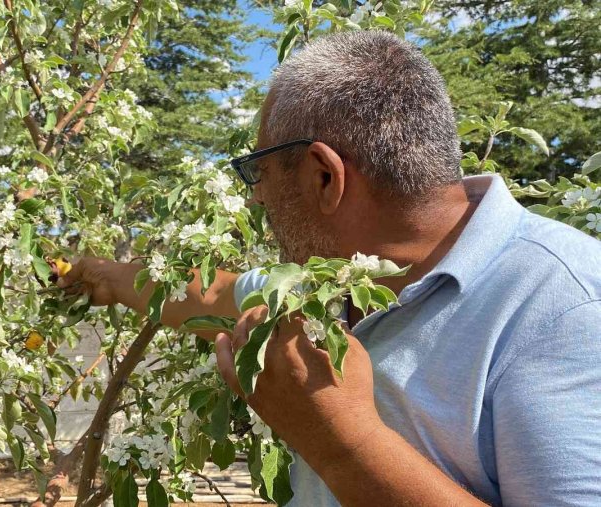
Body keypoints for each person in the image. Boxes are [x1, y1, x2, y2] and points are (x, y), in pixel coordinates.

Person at [57, 30, 601, 506]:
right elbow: (209, 294)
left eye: (257, 173)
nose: (255, 201)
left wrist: (340, 441)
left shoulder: (564, 307)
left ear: (323, 176)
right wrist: (102, 276)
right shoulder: (330, 281)